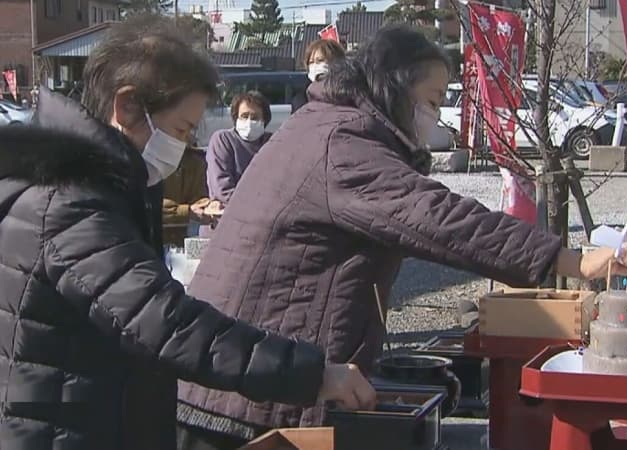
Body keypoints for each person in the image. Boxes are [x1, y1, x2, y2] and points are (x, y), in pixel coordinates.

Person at [179, 25, 627, 446]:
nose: (435, 116)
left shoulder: (331, 124)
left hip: (246, 376)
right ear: (394, 86)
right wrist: (571, 260)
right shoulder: (342, 143)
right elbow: (441, 219)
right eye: (433, 100)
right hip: (240, 398)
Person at [0, 18, 374, 450]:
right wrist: (312, 373)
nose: (184, 145)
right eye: (180, 129)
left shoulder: (97, 185)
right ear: (126, 108)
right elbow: (164, 322)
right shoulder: (69, 202)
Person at [206, 90, 272, 207]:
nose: (249, 122)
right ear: (236, 118)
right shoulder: (223, 140)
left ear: (264, 120)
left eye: (255, 117)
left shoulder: (272, 143)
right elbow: (222, 189)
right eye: (244, 116)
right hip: (229, 215)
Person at [162, 145, 214, 247]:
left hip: (181, 243)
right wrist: (186, 211)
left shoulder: (194, 160)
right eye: (179, 131)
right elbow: (143, 206)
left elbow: (200, 197)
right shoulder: (142, 158)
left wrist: (207, 205)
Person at [291, 39, 346, 113]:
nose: (315, 66)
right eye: (311, 62)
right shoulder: (301, 100)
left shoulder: (350, 93)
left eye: (320, 60)